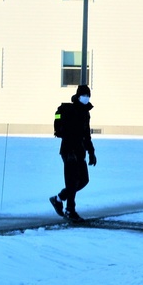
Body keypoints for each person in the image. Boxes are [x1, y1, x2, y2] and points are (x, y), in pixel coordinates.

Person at [49, 84, 96, 223]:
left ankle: (59, 199)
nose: (86, 98)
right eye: (84, 95)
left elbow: (86, 135)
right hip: (69, 151)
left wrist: (91, 152)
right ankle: (70, 210)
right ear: (78, 96)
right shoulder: (70, 110)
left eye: (88, 96)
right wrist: (69, 152)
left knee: (83, 180)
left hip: (80, 151)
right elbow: (67, 133)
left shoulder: (86, 113)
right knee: (72, 181)